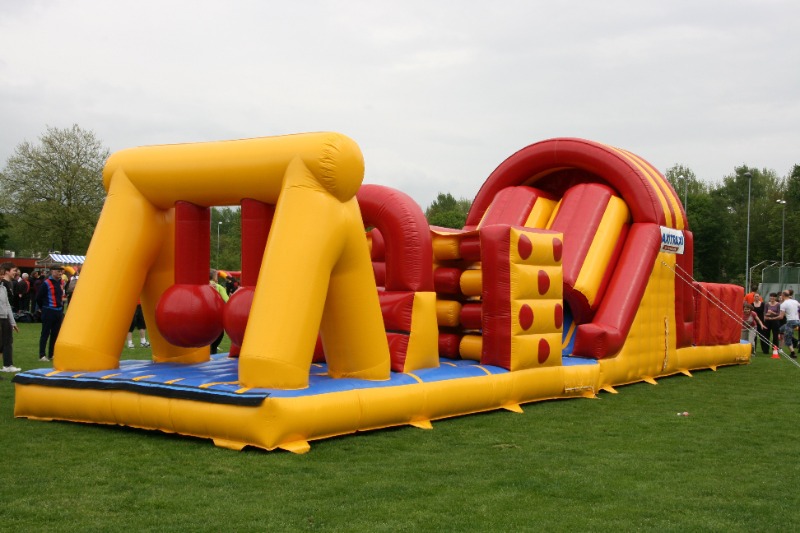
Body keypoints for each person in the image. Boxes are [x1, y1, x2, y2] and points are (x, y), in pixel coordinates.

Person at [36, 265, 65, 361]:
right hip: (48, 310)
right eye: (58, 271)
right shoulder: (46, 283)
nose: (60, 273)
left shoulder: (61, 282)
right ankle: (42, 355)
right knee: (45, 333)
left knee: (55, 334)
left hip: (58, 311)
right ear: (52, 271)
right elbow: (39, 297)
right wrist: (43, 308)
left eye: (61, 271)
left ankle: (51, 354)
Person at [0, 263, 21, 373]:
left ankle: (8, 365)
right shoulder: (4, 285)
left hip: (5, 318)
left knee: (7, 341)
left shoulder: (3, 287)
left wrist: (13, 322)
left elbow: (7, 305)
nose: (2, 276)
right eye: (14, 270)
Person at [209, 269, 229, 354]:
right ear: (214, 277)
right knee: (216, 340)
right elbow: (227, 301)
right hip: (217, 317)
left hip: (205, 317)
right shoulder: (218, 287)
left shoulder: (203, 286)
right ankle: (213, 353)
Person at [778, 290, 800, 358]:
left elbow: (781, 317)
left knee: (787, 338)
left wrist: (771, 318)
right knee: (781, 329)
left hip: (790, 322)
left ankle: (793, 353)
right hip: (797, 321)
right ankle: (795, 342)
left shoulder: (783, 304)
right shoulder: (795, 301)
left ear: (783, 295)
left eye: (781, 295)